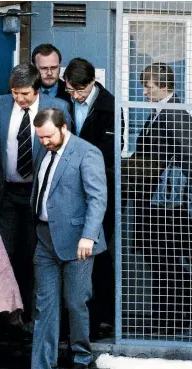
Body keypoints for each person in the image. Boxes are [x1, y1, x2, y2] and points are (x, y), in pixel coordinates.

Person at [0, 64, 72, 329]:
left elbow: (66, 151)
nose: (19, 99)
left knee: (36, 256)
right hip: (8, 194)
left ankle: (37, 318)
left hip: (39, 194)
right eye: (15, 93)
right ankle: (6, 316)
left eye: (25, 94)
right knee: (5, 254)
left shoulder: (56, 107)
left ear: (37, 89)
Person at [125, 62, 192, 335]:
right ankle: (186, 305)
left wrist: (163, 175)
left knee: (163, 257)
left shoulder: (175, 114)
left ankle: (172, 318)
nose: (144, 91)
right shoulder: (160, 112)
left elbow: (188, 159)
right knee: (158, 257)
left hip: (166, 203)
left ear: (163, 85)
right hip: (153, 200)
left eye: (148, 85)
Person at [30, 108, 107, 369]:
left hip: (78, 242)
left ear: (63, 128)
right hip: (45, 238)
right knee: (45, 306)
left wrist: (88, 236)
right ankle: (43, 367)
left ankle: (81, 358)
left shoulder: (87, 153)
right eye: (40, 137)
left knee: (76, 303)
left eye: (48, 136)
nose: (44, 142)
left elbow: (97, 199)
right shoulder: (43, 148)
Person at [63, 57, 122, 339]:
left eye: (79, 92)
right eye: (70, 91)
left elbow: (110, 151)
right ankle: (73, 318)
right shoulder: (64, 103)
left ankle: (101, 316)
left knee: (98, 252)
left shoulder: (110, 107)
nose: (74, 96)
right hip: (69, 190)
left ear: (91, 84)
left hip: (98, 187)